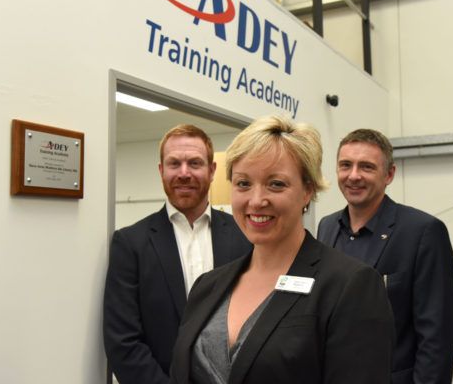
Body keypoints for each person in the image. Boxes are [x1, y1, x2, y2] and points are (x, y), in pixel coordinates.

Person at [169, 116, 394, 384]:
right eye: (243, 183)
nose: (256, 200)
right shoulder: (207, 286)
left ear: (307, 190)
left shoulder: (349, 286)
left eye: (276, 184)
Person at [103, 124, 252, 384]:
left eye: (194, 163)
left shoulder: (244, 238)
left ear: (212, 169)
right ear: (161, 170)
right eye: (174, 164)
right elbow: (122, 342)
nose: (184, 173)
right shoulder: (130, 243)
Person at [317, 128, 453, 384]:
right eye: (345, 165)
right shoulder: (327, 227)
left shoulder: (423, 232)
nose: (354, 176)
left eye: (367, 167)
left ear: (389, 174)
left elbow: (437, 337)